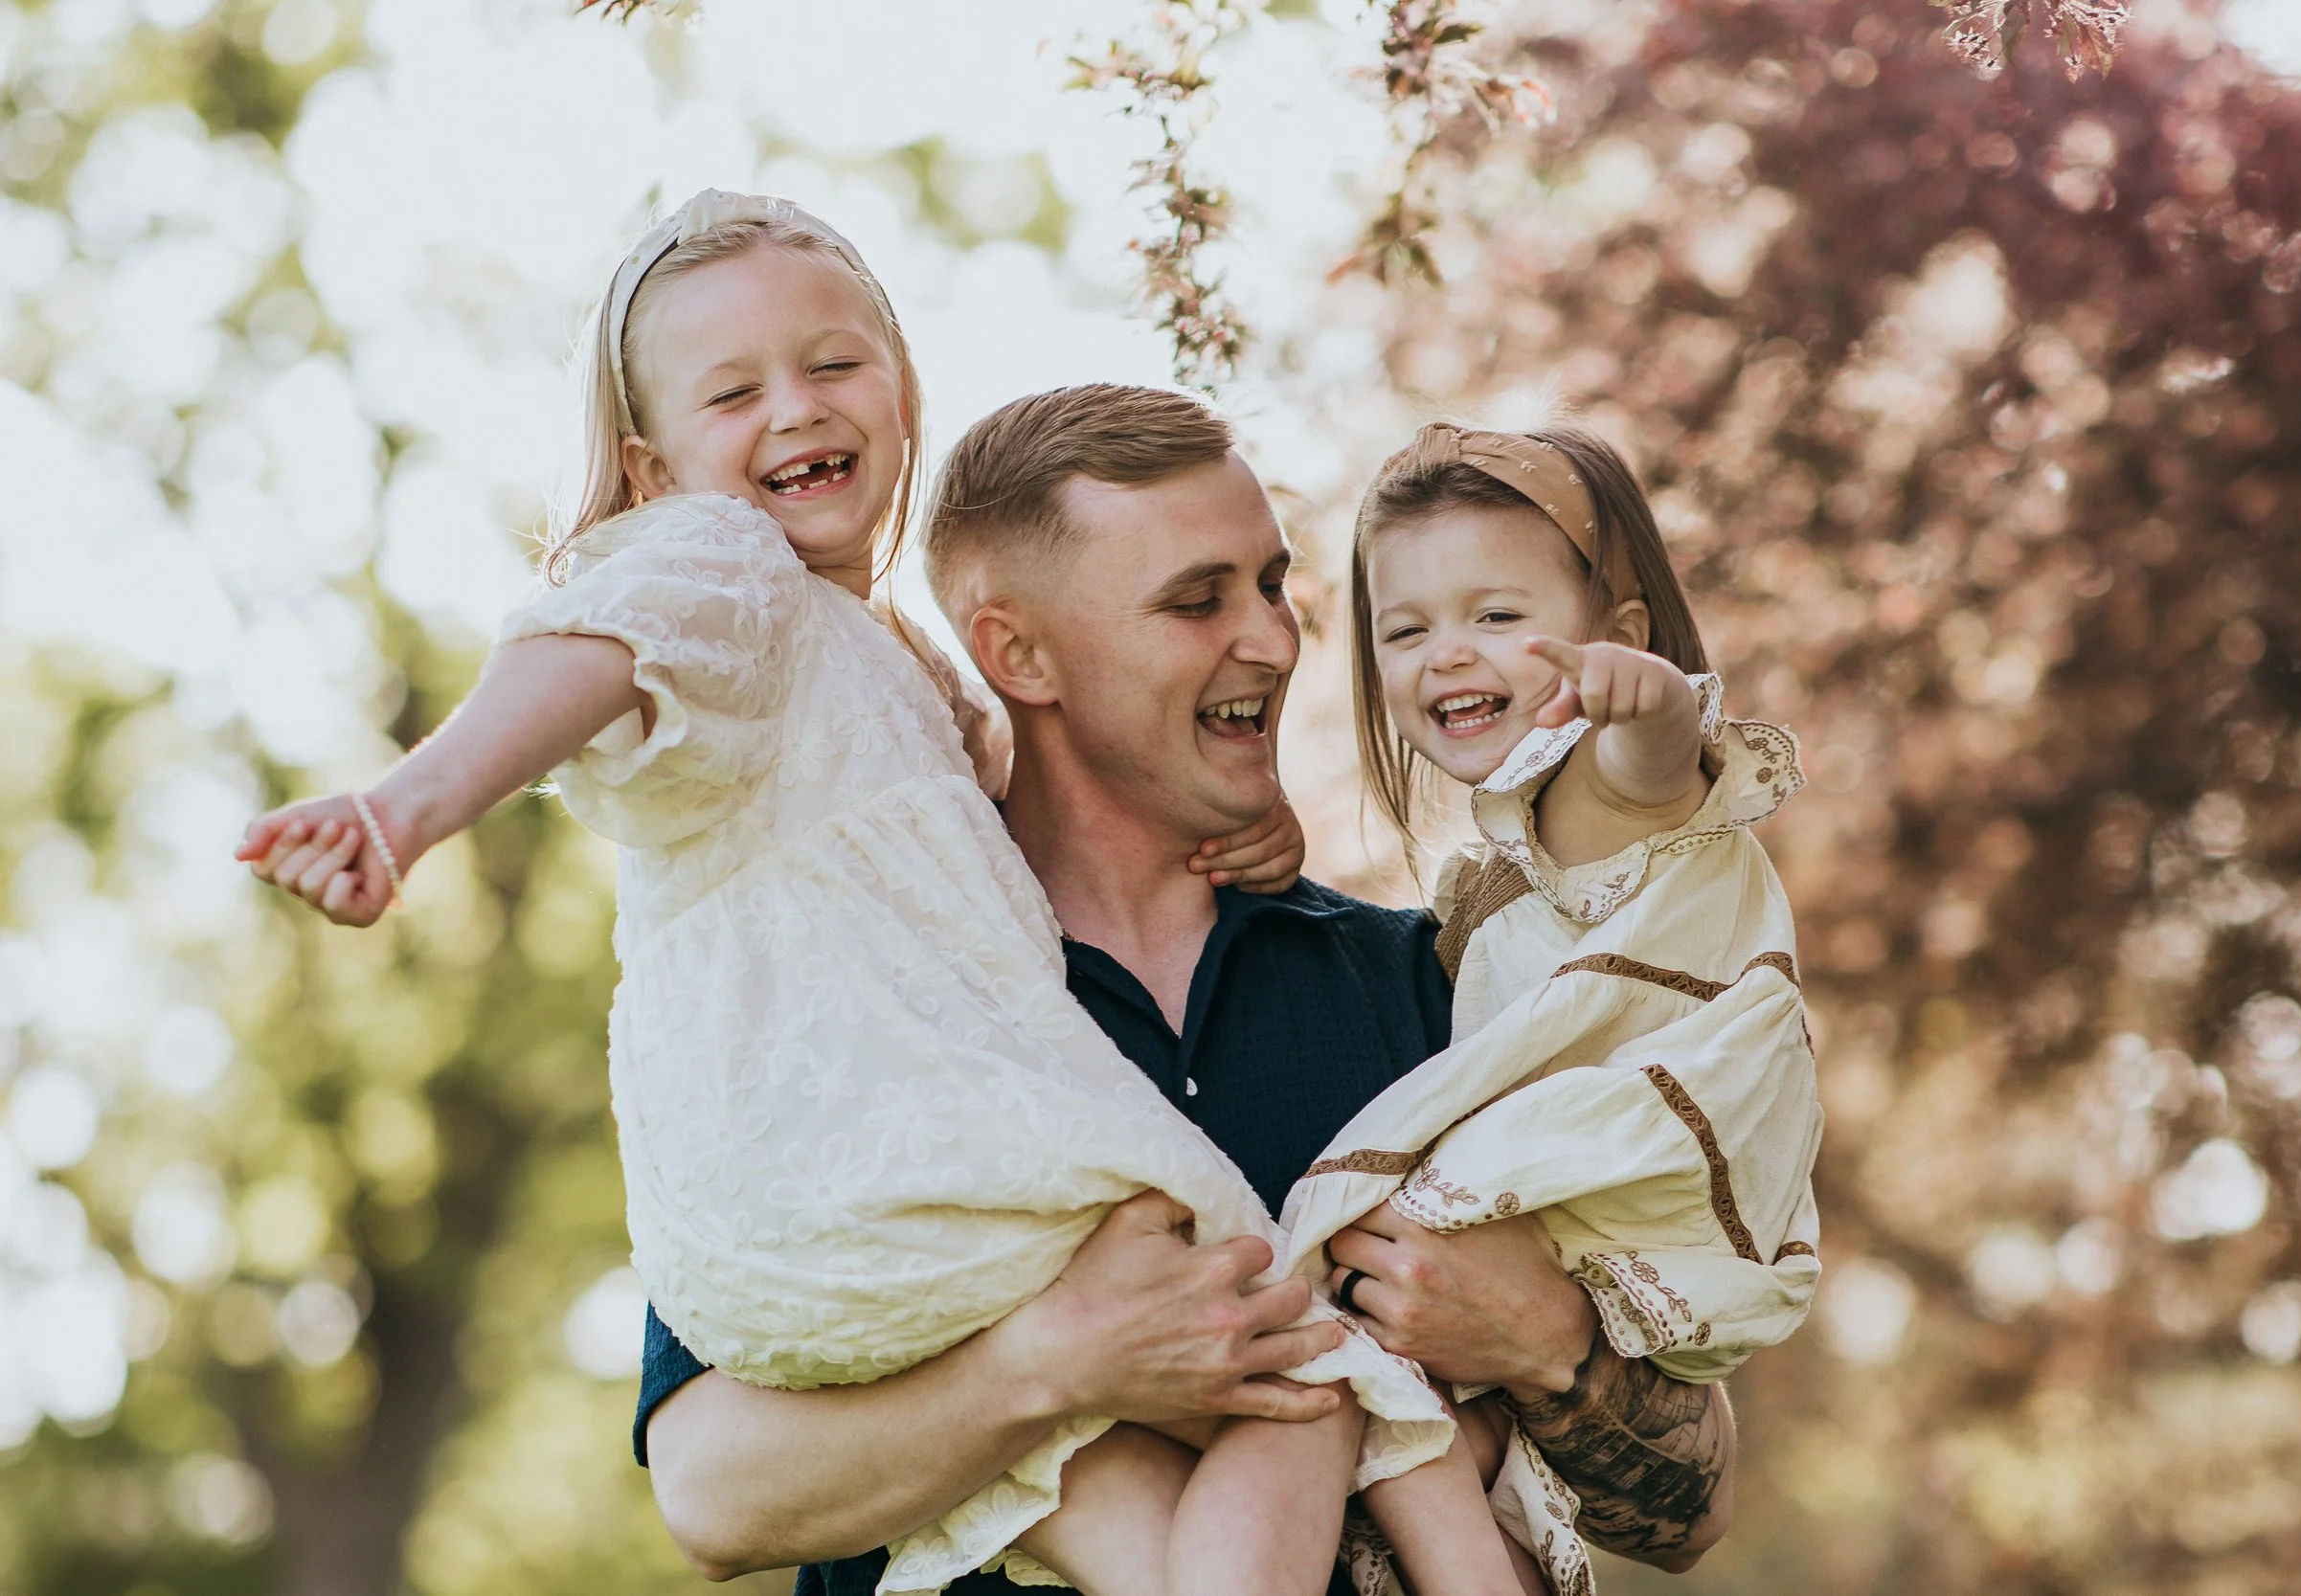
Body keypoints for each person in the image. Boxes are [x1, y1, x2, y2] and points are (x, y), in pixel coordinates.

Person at [233, 192, 1514, 1596]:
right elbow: (595, 644)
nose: (795, 406)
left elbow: (1683, 1480)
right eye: (1196, 599)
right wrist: (407, 807)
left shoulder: (906, 685)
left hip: (854, 1227)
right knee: (1316, 1375)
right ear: (655, 467)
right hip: (885, 1183)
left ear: (900, 386)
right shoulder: (717, 567)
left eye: (835, 362)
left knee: (1151, 1497)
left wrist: (1544, 1328)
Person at [638, 386, 1743, 1596]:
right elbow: (709, 1495)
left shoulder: (1423, 985)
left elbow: (1693, 1508)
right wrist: (1053, 1365)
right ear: (1019, 652)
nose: (1275, 638)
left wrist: (1555, 1349)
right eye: (1196, 599)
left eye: (1270, 582)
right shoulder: (854, 990)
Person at [1276, 422, 1824, 1593]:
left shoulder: (1599, 784)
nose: (1445, 655)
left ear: (1614, 638)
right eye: (1405, 629)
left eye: (1494, 615)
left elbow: (1654, 766)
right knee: (1419, 1428)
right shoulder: (1504, 861)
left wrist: (1648, 707)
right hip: (1579, 1194)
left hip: (1601, 1169)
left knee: (1363, 1378)